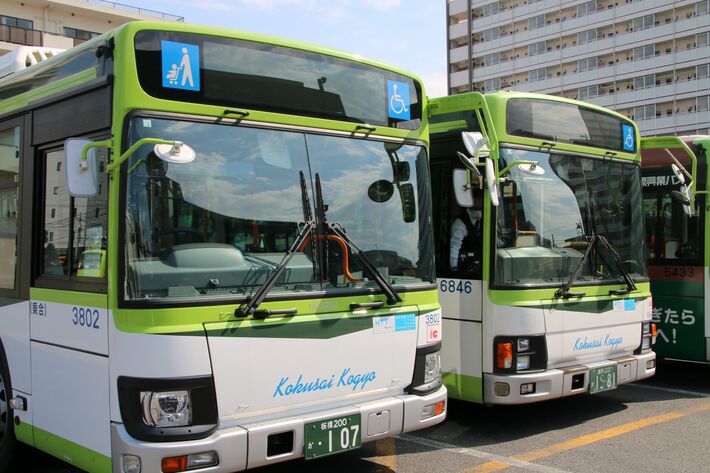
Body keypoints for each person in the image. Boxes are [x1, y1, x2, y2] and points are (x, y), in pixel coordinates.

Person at [449, 195, 482, 272]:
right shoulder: (460, 224)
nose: (480, 208)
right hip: (463, 268)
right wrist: (454, 266)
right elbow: (454, 246)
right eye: (478, 206)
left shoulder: (480, 220)